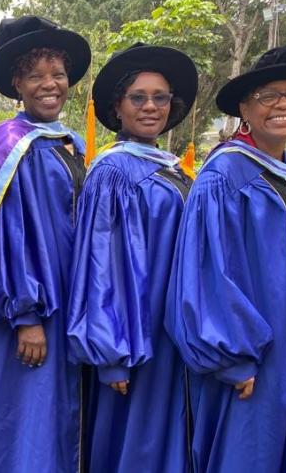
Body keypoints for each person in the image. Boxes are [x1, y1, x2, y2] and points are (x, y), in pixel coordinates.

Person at [165, 45, 286, 472]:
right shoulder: (226, 176)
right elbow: (208, 274)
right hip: (259, 365)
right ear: (245, 106)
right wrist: (234, 357)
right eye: (268, 95)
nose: (284, 104)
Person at [0, 15, 91, 472]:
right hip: (30, 309)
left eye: (57, 73)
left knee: (60, 417)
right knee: (26, 419)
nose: (50, 84)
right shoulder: (9, 144)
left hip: (69, 301)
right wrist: (26, 315)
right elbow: (3, 236)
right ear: (17, 82)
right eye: (36, 75)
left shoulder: (69, 143)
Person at [66, 43, 198, 472]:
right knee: (135, 444)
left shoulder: (172, 167)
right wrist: (111, 355)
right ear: (117, 108)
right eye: (138, 97)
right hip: (135, 339)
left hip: (173, 331)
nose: (150, 106)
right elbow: (100, 266)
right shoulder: (113, 172)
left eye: (160, 97)